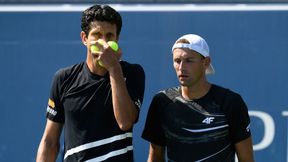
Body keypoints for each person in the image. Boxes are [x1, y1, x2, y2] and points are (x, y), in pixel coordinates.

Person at [36, 4, 145, 162]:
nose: (104, 42)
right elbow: (50, 142)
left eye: (109, 36)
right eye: (97, 35)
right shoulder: (63, 78)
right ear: (84, 38)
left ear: (117, 38)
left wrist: (114, 67)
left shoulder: (133, 73)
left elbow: (125, 122)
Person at [142, 34, 254, 162]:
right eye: (177, 61)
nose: (181, 67)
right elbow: (154, 157)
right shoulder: (162, 101)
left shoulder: (231, 102)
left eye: (189, 60)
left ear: (206, 62)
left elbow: (247, 159)